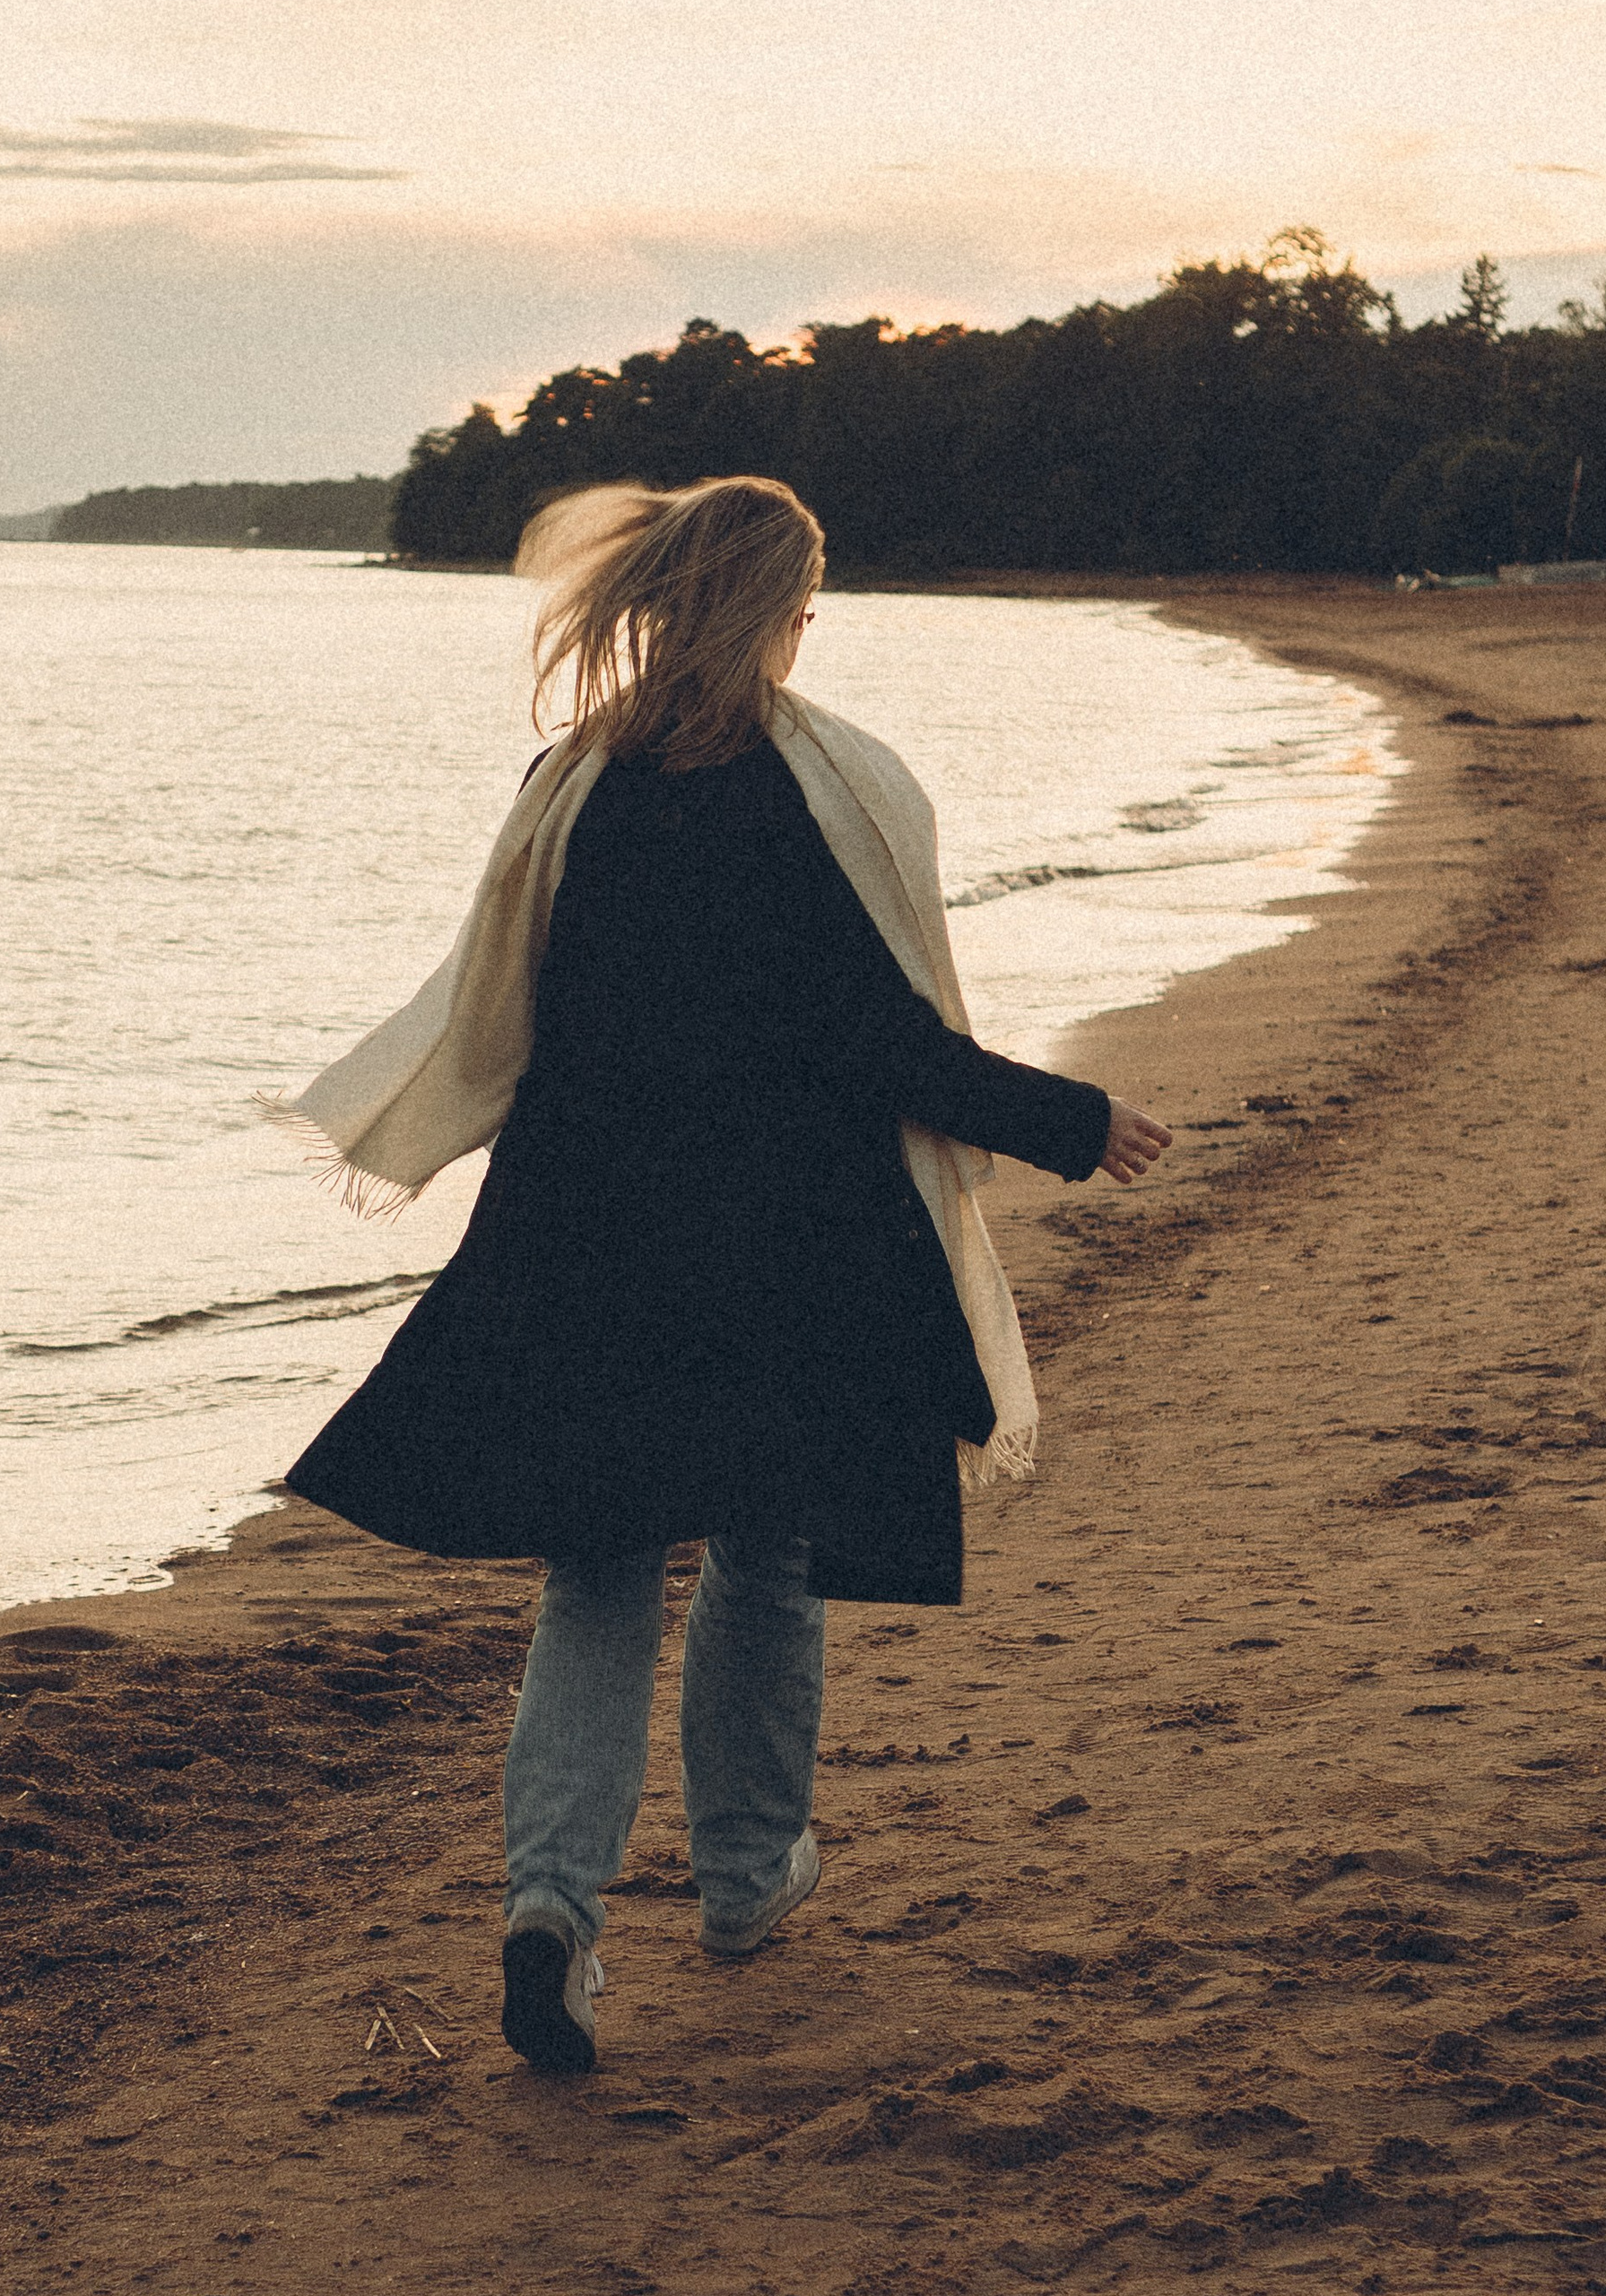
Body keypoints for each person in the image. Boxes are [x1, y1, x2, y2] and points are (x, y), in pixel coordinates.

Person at [276, 477, 1169, 2075]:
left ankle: (551, 1910)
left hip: (586, 1237)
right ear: (775, 613)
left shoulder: (574, 786)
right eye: (805, 609)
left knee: (600, 1571)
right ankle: (747, 1882)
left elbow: (529, 1017)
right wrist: (1071, 1120)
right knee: (765, 1552)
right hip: (785, 1248)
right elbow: (876, 1041)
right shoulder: (812, 798)